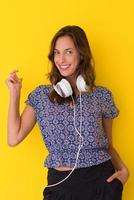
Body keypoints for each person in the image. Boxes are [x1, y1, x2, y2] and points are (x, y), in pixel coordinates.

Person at [6, 25, 129, 200]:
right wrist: (15, 93)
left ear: (81, 54)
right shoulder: (41, 96)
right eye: (56, 52)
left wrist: (123, 171)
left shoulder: (102, 95)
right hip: (61, 186)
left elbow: (108, 145)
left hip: (101, 183)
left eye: (68, 52)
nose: (61, 59)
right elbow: (13, 138)